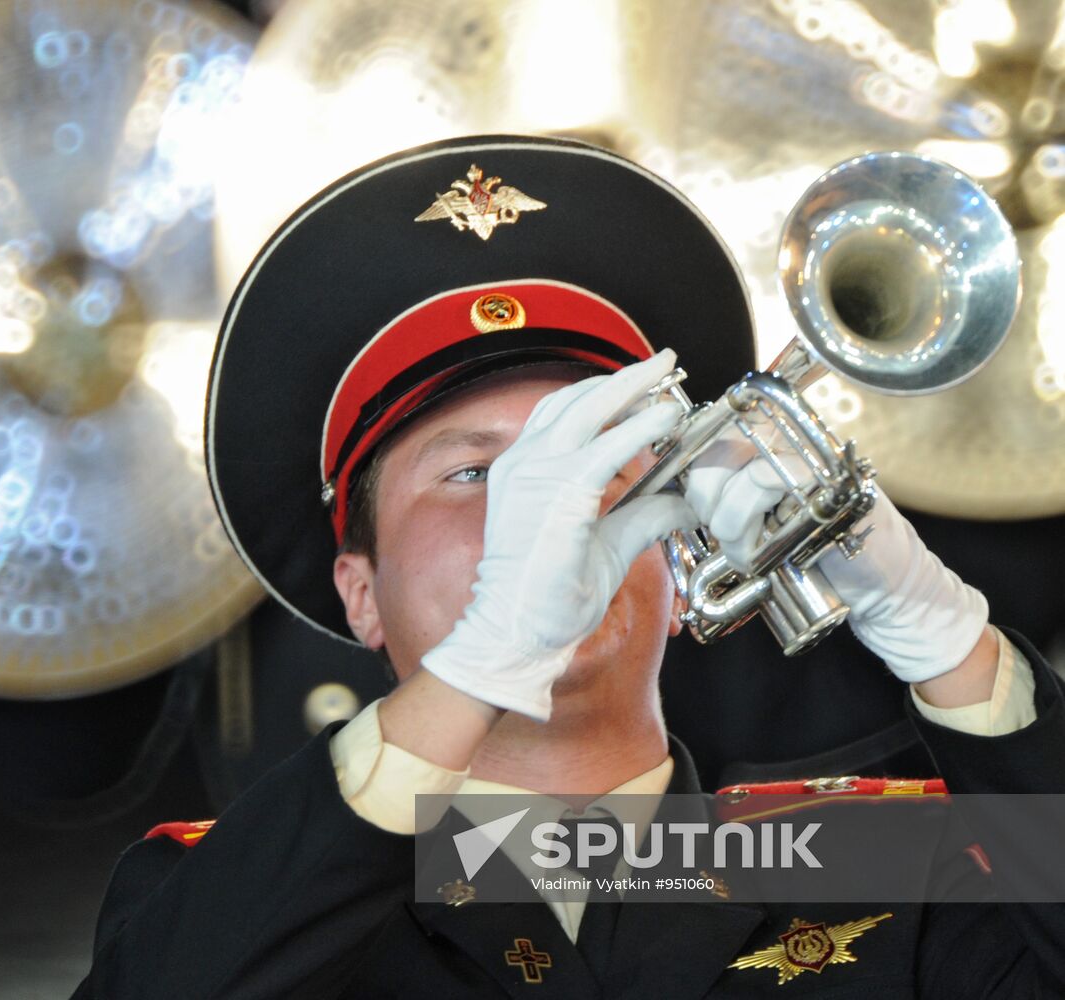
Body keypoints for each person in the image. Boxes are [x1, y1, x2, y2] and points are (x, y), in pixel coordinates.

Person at [71, 135, 1065, 997]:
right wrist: (482, 659)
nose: (542, 519)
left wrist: (947, 638)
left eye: (591, 464)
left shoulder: (872, 856)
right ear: (360, 594)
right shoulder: (221, 892)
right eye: (470, 473)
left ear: (679, 559)